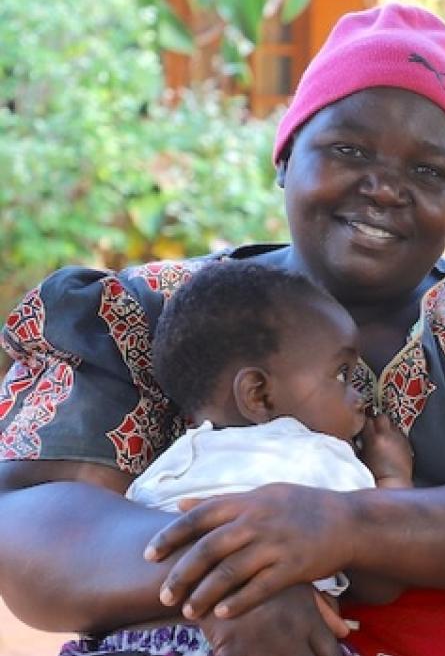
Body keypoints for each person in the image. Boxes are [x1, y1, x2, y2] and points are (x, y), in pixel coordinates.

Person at [0, 4, 445, 656]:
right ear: (285, 157)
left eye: (429, 170)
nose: (387, 188)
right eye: (348, 148)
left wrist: (343, 526)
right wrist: (244, 579)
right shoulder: (145, 313)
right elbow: (31, 521)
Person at [63, 261, 414, 655]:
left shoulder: (167, 467)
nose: (358, 396)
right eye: (341, 375)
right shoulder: (317, 457)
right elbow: (382, 584)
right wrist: (393, 477)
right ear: (259, 395)